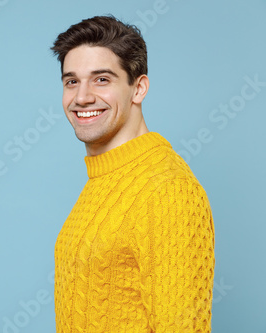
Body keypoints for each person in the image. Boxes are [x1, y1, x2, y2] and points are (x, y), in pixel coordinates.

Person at [50, 15, 215, 332]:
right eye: (72, 81)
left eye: (101, 79)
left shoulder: (168, 190)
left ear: (138, 88)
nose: (81, 97)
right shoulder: (105, 178)